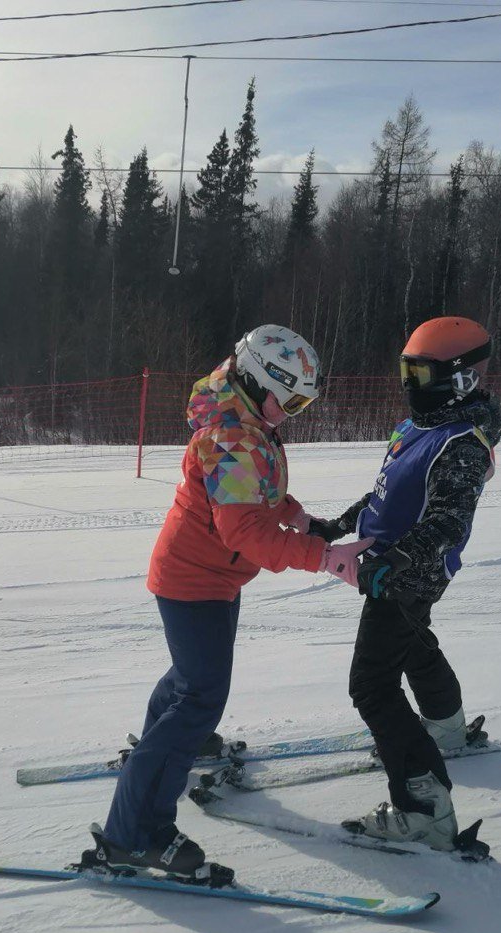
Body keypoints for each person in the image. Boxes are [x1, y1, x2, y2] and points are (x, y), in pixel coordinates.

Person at [95, 324, 372, 879]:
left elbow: (257, 488)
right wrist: (323, 556)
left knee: (189, 684)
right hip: (193, 581)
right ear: (254, 377)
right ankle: (134, 834)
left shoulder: (244, 418)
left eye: (303, 402)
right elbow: (245, 531)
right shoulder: (232, 437)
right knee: (199, 698)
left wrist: (298, 516)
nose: (293, 412)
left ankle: (158, 753)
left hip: (208, 578)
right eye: (289, 398)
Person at [306, 316, 501, 851]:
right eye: (406, 371)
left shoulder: (462, 442)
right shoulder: (421, 426)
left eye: (421, 373)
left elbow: (446, 521)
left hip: (407, 575)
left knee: (371, 686)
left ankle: (424, 808)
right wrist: (339, 526)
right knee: (415, 646)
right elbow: (385, 493)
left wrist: (394, 559)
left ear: (458, 378)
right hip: (394, 567)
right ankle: (445, 726)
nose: (409, 384)